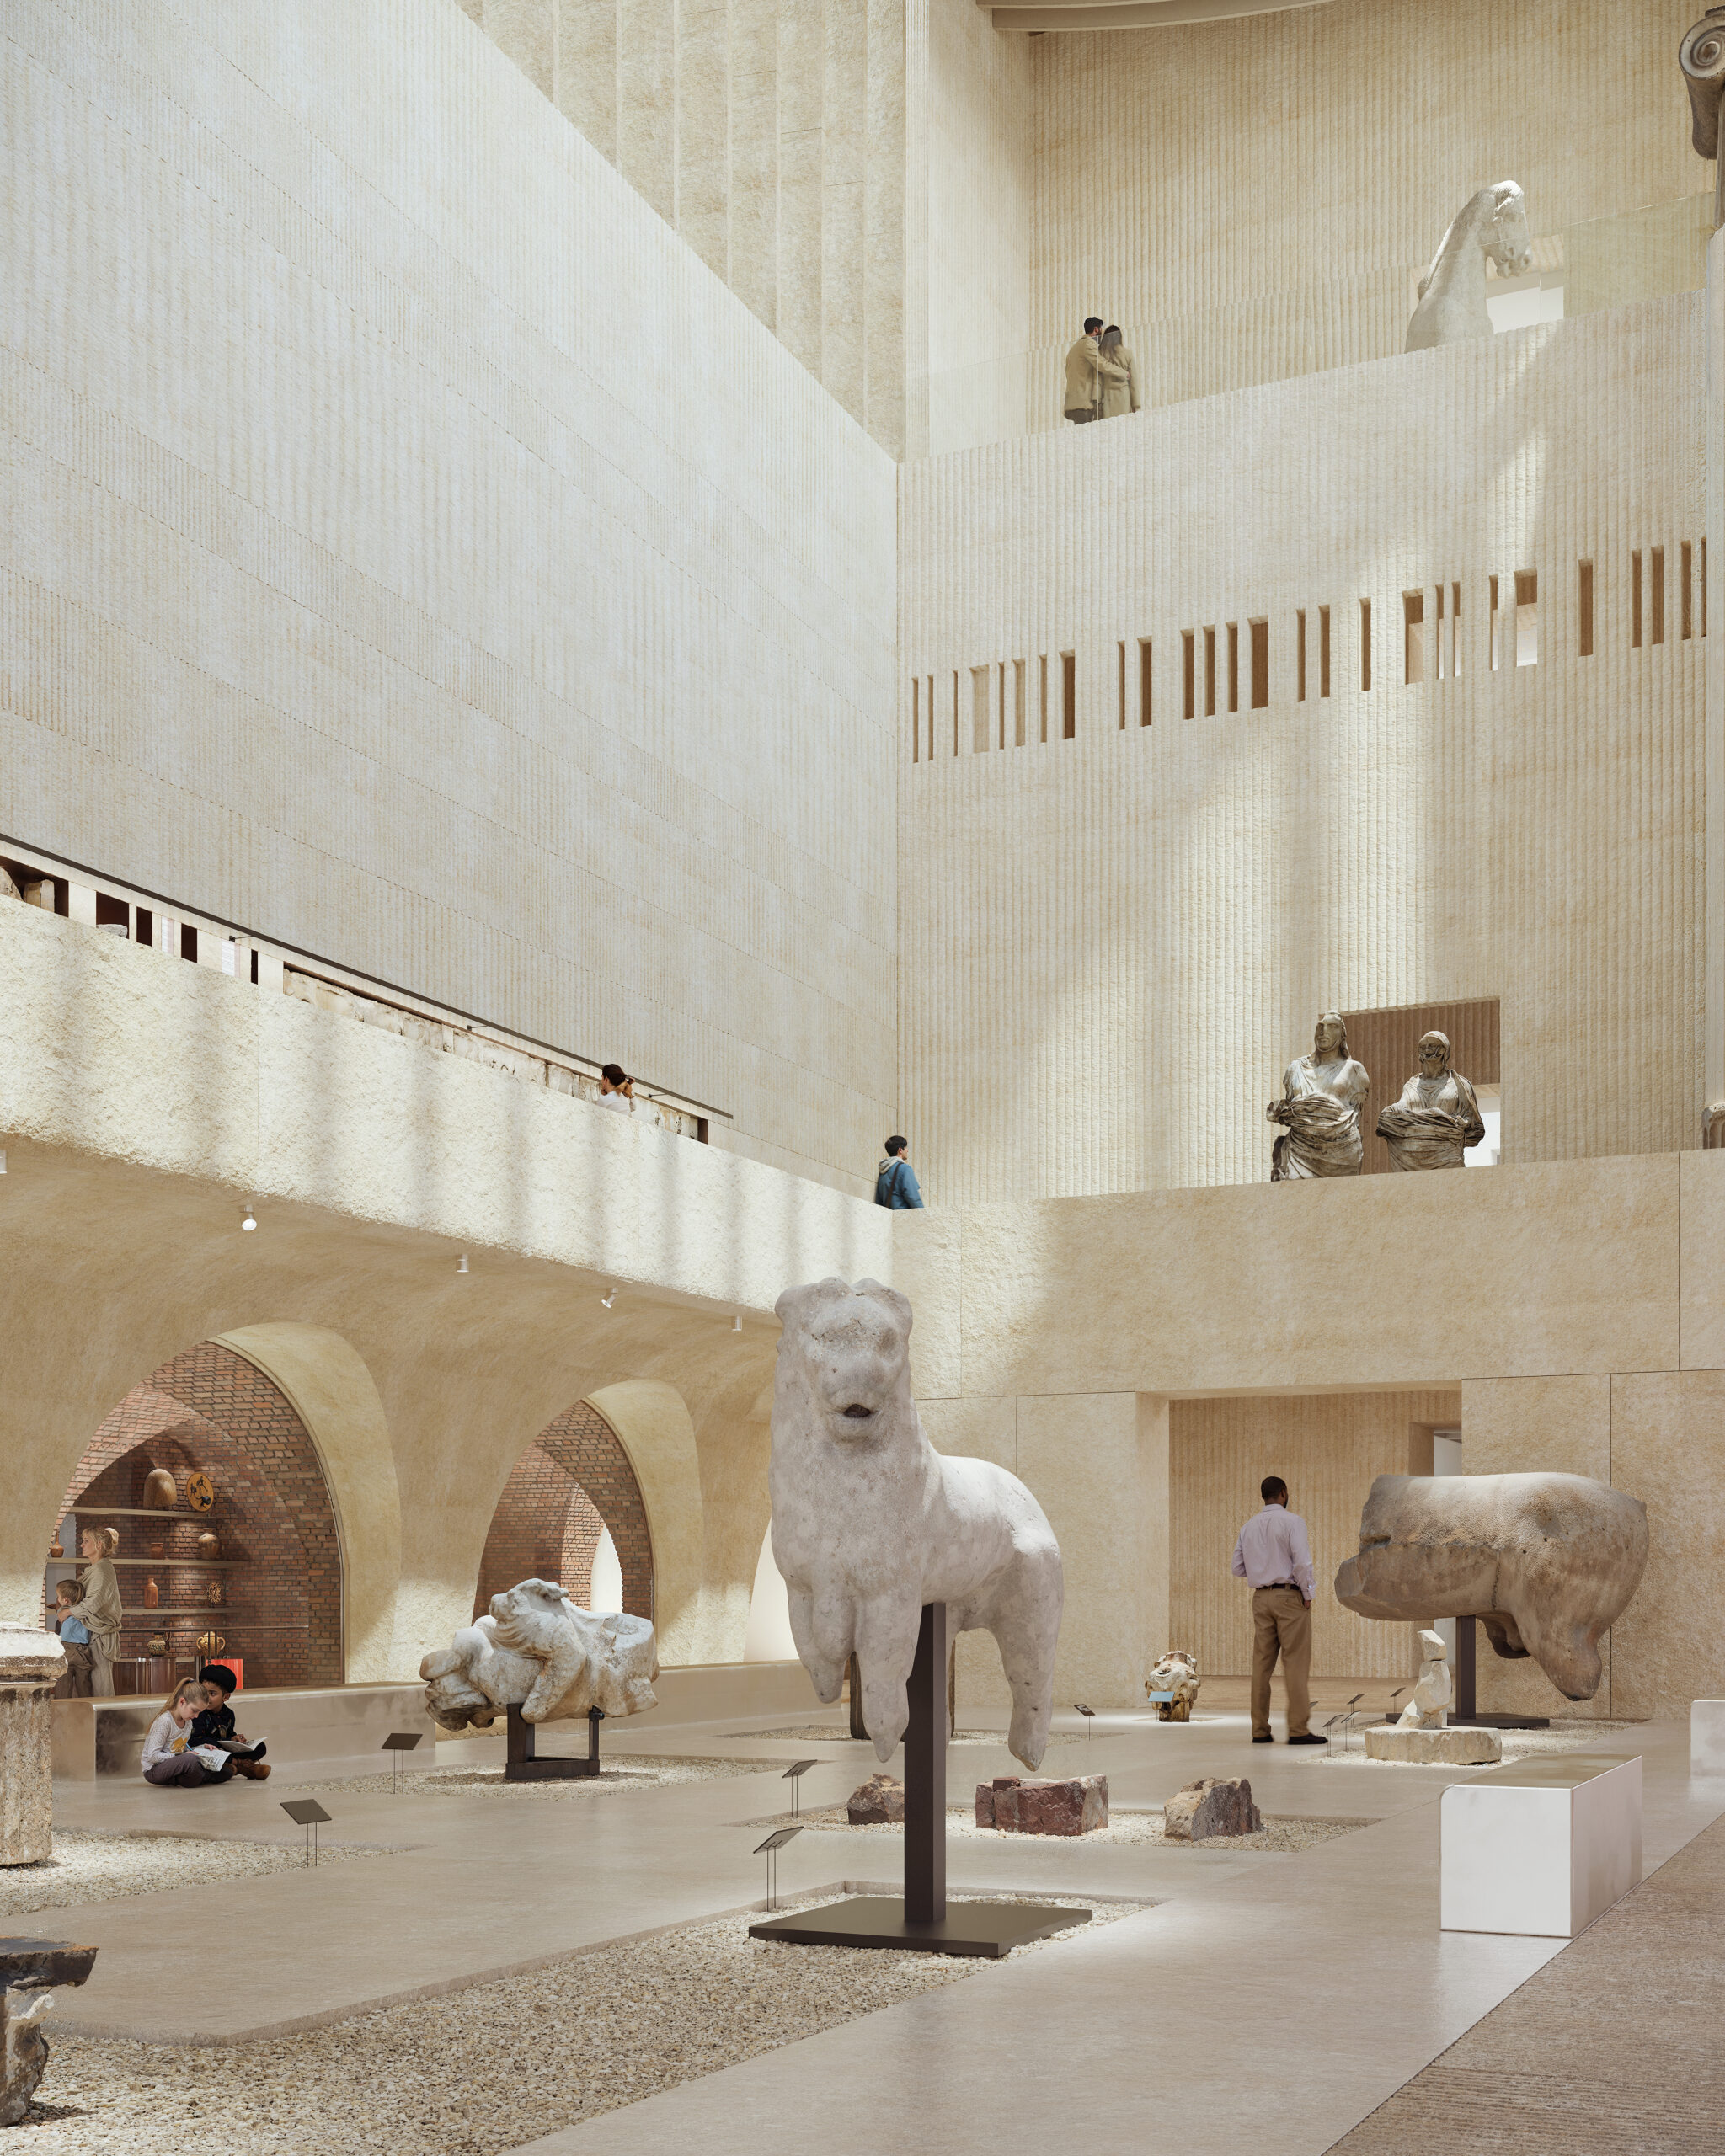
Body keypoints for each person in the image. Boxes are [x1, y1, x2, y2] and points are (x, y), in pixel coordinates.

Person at [1231, 1476, 1326, 1745]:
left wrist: (1261, 1571)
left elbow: (1237, 1567)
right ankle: (1298, 1729)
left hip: (1261, 1599)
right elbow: (1302, 1563)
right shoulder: (1293, 1522)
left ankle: (1259, 1730)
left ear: (1264, 1496)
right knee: (1295, 1663)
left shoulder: (1248, 1526)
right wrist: (1308, 1594)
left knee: (1261, 1666)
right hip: (1289, 1596)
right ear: (1283, 1493)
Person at [1268, 1010, 1370, 1179]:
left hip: (1342, 1150)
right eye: (1320, 1027)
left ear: (1342, 1035)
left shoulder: (1354, 1070)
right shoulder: (1296, 1068)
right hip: (1298, 1148)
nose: (1324, 1031)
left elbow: (1357, 1112)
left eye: (1332, 1026)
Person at [1376, 1030, 1485, 1171]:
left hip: (1447, 1150)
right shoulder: (1412, 1084)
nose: (1427, 1050)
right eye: (1423, 1047)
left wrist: (1464, 1122)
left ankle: (1431, 1122)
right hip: (1409, 1153)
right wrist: (1396, 1108)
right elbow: (1403, 1104)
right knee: (1385, 1118)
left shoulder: (1460, 1084)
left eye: (1432, 1046)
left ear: (1444, 1050)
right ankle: (1430, 1120)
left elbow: (1473, 1121)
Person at [142, 1679, 237, 1787]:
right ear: (182, 1702)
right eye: (195, 1711)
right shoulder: (165, 1721)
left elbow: (184, 1749)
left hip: (178, 1765)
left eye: (199, 1712)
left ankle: (194, 1777)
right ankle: (205, 1776)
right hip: (154, 1770)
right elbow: (153, 1756)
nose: (196, 1716)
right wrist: (181, 1756)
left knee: (194, 1762)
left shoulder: (188, 1722)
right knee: (190, 1760)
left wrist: (203, 1747)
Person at [189, 1662, 270, 1780]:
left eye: (212, 1694)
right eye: (203, 1692)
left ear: (226, 1697)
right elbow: (195, 1740)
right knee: (213, 1748)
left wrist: (236, 1739)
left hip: (224, 1752)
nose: (206, 1697)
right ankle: (243, 1766)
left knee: (260, 1747)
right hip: (206, 1752)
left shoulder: (229, 1714)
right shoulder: (198, 1713)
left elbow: (228, 1735)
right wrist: (226, 1741)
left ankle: (231, 1767)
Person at [77, 1525, 123, 1696]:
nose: (81, 1545)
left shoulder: (102, 1570)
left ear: (98, 1545)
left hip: (100, 1635)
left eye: (86, 1541)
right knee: (89, 1686)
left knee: (101, 1686)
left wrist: (68, 1612)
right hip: (90, 1633)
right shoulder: (95, 1569)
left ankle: (106, 1715)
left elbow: (94, 1602)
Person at [1063, 316, 1128, 425]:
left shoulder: (1074, 349)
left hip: (1073, 402)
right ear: (1096, 329)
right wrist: (1124, 373)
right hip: (1084, 403)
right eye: (1101, 329)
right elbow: (1102, 364)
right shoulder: (1088, 343)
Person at [51, 1579, 93, 1697]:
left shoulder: (63, 1611)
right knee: (84, 1685)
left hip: (67, 1649)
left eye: (59, 1597)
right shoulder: (84, 1611)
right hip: (83, 1651)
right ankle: (86, 1706)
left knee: (63, 1685)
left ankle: (62, 1707)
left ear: (65, 1600)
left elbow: (59, 1610)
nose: (58, 1599)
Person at [1097, 325, 1141, 418]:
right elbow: (1133, 381)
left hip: (1107, 396)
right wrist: (1135, 404)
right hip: (1124, 397)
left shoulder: (1101, 353)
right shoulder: (1127, 353)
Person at [873, 1135, 924, 1209]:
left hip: (888, 1214)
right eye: (906, 1147)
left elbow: (878, 1200)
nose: (907, 1150)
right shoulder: (905, 1169)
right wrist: (923, 1213)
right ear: (900, 1150)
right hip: (903, 1214)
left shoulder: (883, 1171)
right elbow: (913, 1197)